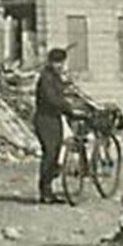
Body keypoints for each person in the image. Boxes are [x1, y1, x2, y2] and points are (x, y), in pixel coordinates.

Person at [33, 48, 84, 204]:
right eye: (56, 62)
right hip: (44, 119)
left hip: (55, 118)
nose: (59, 66)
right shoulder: (46, 78)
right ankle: (45, 191)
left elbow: (63, 95)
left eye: (61, 62)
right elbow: (51, 99)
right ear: (50, 62)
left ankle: (49, 188)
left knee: (55, 153)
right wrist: (68, 108)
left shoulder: (56, 78)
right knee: (49, 153)